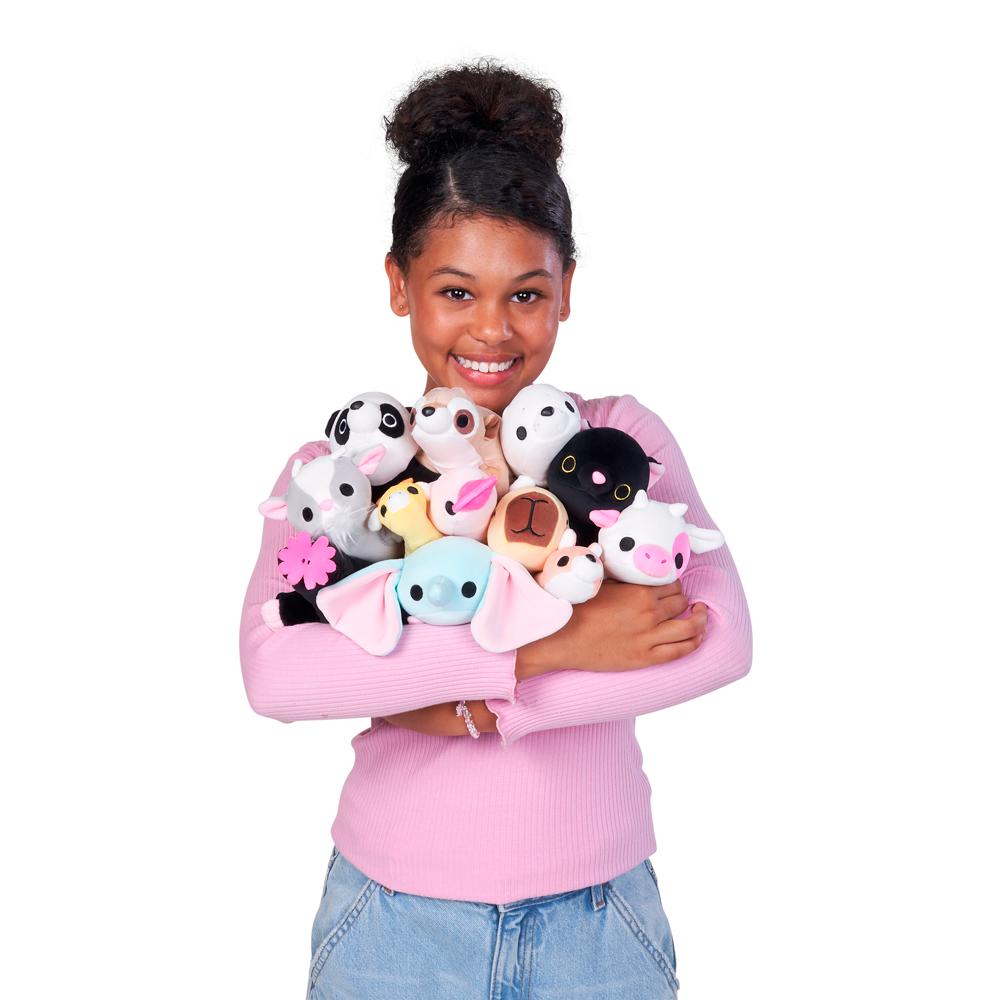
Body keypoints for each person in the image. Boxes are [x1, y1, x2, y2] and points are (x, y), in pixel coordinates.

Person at [239, 60, 752, 1000]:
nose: (492, 331)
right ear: (398, 284)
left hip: (601, 925)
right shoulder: (340, 475)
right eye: (455, 291)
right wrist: (553, 651)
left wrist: (444, 702)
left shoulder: (619, 442)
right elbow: (281, 677)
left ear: (567, 288)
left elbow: (717, 647)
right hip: (391, 925)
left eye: (525, 293)